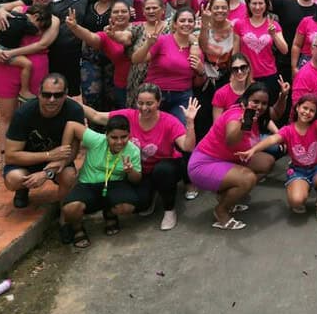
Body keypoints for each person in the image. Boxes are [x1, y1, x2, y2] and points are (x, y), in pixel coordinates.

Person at [82, 86, 198, 231]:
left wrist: (190, 123)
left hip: (167, 167)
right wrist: (66, 100)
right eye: (140, 103)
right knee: (140, 206)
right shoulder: (128, 116)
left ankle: (169, 210)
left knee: (162, 171)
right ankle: (152, 194)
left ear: (158, 102)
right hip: (140, 171)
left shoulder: (169, 121)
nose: (144, 108)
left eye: (149, 103)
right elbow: (96, 116)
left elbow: (188, 147)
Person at [189, 83, 277, 230]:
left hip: (225, 159)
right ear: (245, 99)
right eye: (255, 101)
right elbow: (231, 141)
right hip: (203, 165)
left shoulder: (255, 115)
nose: (259, 106)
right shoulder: (236, 115)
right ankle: (221, 211)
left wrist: (283, 96)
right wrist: (243, 125)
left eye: (264, 103)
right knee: (248, 178)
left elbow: (277, 114)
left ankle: (225, 196)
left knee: (266, 162)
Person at [0, 0, 88, 98]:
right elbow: (8, 7)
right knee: (46, 93)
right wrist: (1, 12)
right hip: (46, 55)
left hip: (72, 55)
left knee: (68, 94)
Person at [238, 94, 317, 220]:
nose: (307, 112)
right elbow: (272, 139)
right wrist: (253, 150)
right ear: (297, 108)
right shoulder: (288, 130)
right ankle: (302, 187)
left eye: (312, 110)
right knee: (296, 201)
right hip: (298, 170)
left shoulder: (316, 125)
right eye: (305, 108)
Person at [0, 0, 60, 155]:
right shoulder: (19, 11)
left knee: (35, 114)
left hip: (36, 67)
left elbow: (42, 44)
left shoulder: (53, 20)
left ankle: (31, 153)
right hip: (6, 66)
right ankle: (5, 155)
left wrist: (11, 52)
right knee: (6, 115)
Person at [2, 74, 79, 219]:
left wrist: (46, 173)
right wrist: (49, 155)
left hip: (58, 163)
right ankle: (22, 189)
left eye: (57, 95)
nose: (51, 100)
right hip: (27, 162)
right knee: (14, 179)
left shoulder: (74, 111)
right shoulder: (23, 113)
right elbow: (10, 155)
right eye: (46, 95)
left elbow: (71, 153)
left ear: (66, 94)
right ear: (39, 93)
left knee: (69, 176)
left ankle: (64, 214)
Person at [60, 114, 142, 247]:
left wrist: (130, 171)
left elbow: (137, 179)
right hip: (88, 184)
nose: (119, 142)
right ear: (106, 135)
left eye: (124, 137)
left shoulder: (133, 151)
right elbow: (71, 126)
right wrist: (63, 156)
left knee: (127, 207)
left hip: (115, 184)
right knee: (69, 209)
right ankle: (78, 229)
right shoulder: (97, 140)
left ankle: (109, 213)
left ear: (129, 135)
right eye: (114, 137)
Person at [131, 8, 203, 125]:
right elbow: (136, 60)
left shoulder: (196, 49)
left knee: (181, 130)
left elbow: (197, 83)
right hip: (155, 94)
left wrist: (201, 71)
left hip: (182, 96)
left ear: (194, 24)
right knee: (150, 127)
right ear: (175, 24)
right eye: (182, 20)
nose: (186, 24)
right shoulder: (162, 41)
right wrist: (148, 44)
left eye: (190, 21)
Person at [64, 1, 133, 110]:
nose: (120, 14)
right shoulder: (106, 35)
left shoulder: (139, 27)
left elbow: (127, 39)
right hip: (122, 83)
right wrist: (75, 27)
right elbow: (90, 37)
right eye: (116, 12)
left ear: (130, 14)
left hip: (142, 82)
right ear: (110, 16)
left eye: (124, 11)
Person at [233, 0, 288, 105]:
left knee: (267, 108)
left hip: (268, 74)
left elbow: (285, 50)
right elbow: (235, 51)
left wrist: (273, 35)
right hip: (245, 74)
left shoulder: (274, 25)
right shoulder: (239, 24)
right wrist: (233, 73)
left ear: (266, 5)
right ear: (248, 5)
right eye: (254, 3)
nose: (257, 7)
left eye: (260, 3)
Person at [0, 3, 53, 101]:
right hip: (3, 51)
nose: (39, 28)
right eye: (39, 25)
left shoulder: (14, 15)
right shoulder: (26, 22)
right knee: (27, 64)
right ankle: (24, 91)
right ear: (35, 16)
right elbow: (37, 32)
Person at [195, 0, 238, 137]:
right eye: (216, 7)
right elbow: (204, 47)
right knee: (202, 115)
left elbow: (235, 56)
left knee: (225, 115)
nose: (220, 10)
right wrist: (204, 26)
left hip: (226, 76)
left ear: (229, 9)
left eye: (223, 7)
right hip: (204, 76)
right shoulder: (204, 24)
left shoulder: (234, 28)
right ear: (211, 9)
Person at [76, 0, 120, 111]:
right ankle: (92, 127)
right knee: (91, 93)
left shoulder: (118, 10)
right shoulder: (89, 7)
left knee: (111, 95)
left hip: (111, 57)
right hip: (90, 57)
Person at [125, 0, 169, 108]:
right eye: (147, 8)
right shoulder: (136, 28)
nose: (151, 11)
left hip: (164, 81)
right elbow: (123, 37)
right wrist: (114, 34)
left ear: (163, 9)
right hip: (137, 81)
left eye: (154, 8)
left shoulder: (172, 28)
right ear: (143, 11)